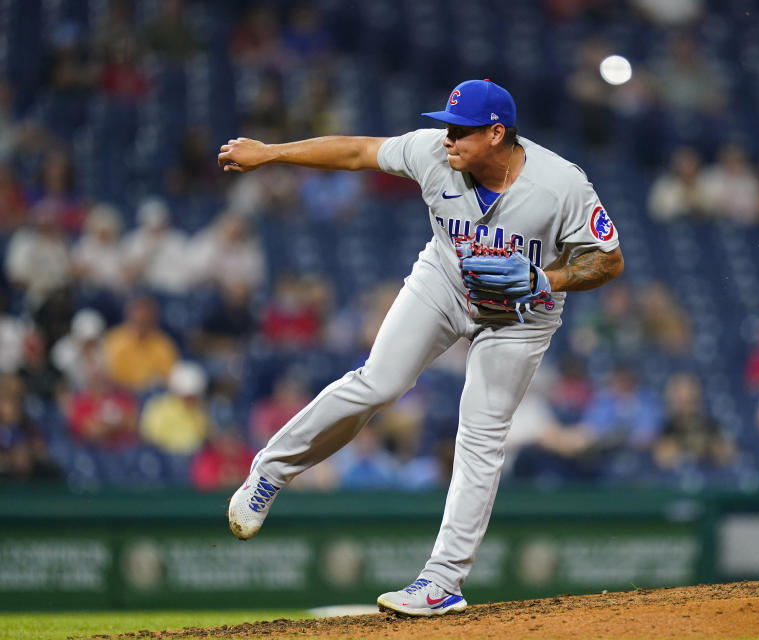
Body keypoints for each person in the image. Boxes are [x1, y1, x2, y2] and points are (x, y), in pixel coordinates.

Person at [218, 79, 624, 616]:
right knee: (378, 382)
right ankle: (270, 471)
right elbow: (359, 150)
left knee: (481, 436)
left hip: (523, 313)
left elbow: (608, 260)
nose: (447, 137)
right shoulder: (432, 152)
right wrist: (273, 153)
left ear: (497, 133)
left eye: (460, 130)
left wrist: (546, 280)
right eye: (446, 125)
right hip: (446, 282)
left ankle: (442, 582)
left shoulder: (560, 183)